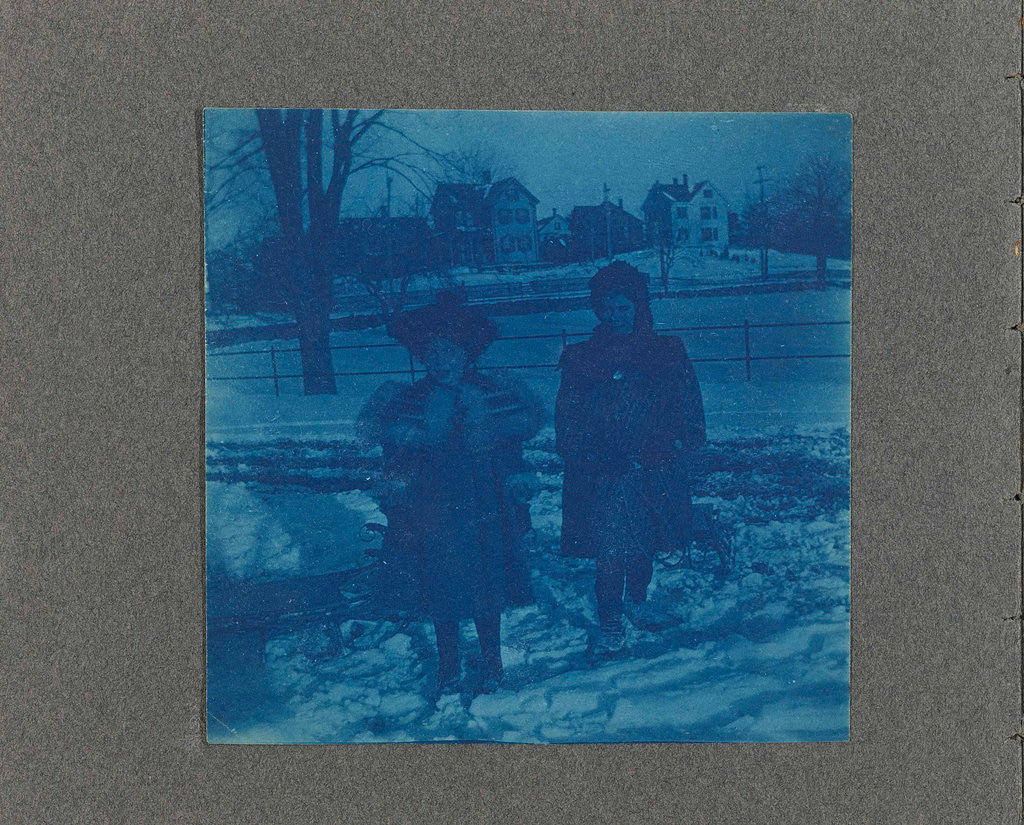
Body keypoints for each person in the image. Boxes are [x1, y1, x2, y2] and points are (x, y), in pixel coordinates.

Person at [358, 291, 542, 694]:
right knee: (442, 582)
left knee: (487, 582)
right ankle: (447, 664)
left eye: (450, 352)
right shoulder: (410, 400)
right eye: (433, 353)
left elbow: (512, 450)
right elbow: (398, 457)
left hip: (484, 500)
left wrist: (518, 482)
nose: (442, 361)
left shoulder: (491, 394)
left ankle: (493, 662)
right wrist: (394, 491)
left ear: (467, 354)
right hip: (433, 504)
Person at [555, 261, 705, 656]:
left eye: (624, 308)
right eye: (608, 309)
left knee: (645, 541)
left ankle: (637, 602)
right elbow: (567, 416)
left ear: (639, 307)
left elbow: (687, 405)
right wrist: (588, 453)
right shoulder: (581, 358)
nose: (616, 316)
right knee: (609, 548)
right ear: (597, 311)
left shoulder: (665, 352)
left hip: (653, 467)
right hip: (604, 472)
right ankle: (609, 622)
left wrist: (671, 445)